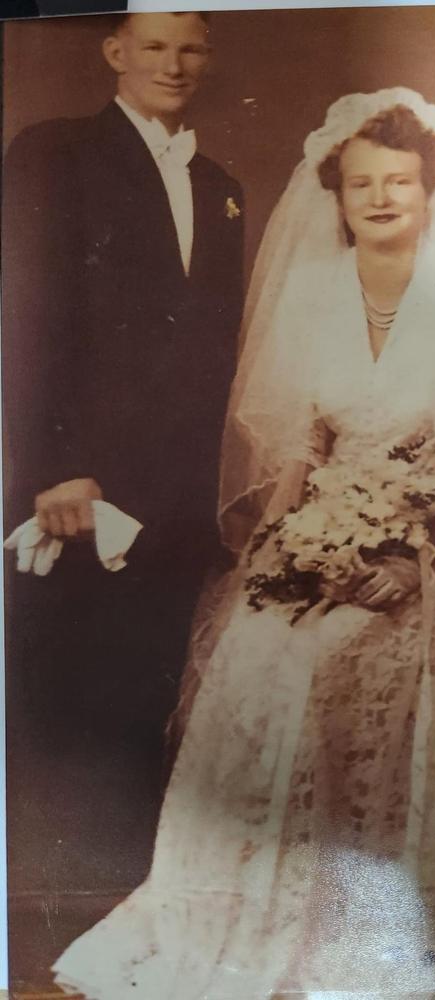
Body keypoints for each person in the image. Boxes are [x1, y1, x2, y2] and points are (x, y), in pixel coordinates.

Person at [52, 89, 435, 999]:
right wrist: (298, 551)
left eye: (398, 183)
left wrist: (412, 551)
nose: (379, 199)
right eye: (361, 184)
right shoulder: (317, 294)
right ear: (336, 197)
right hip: (333, 535)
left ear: (428, 192)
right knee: (270, 658)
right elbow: (301, 452)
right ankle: (269, 921)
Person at [2, 12, 244, 891]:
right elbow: (23, 317)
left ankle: (152, 915)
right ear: (114, 53)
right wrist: (51, 465)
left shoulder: (221, 183)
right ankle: (68, 919)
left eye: (190, 48)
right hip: (82, 486)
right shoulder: (53, 151)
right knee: (78, 707)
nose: (173, 64)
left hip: (183, 491)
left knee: (159, 697)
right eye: (153, 46)